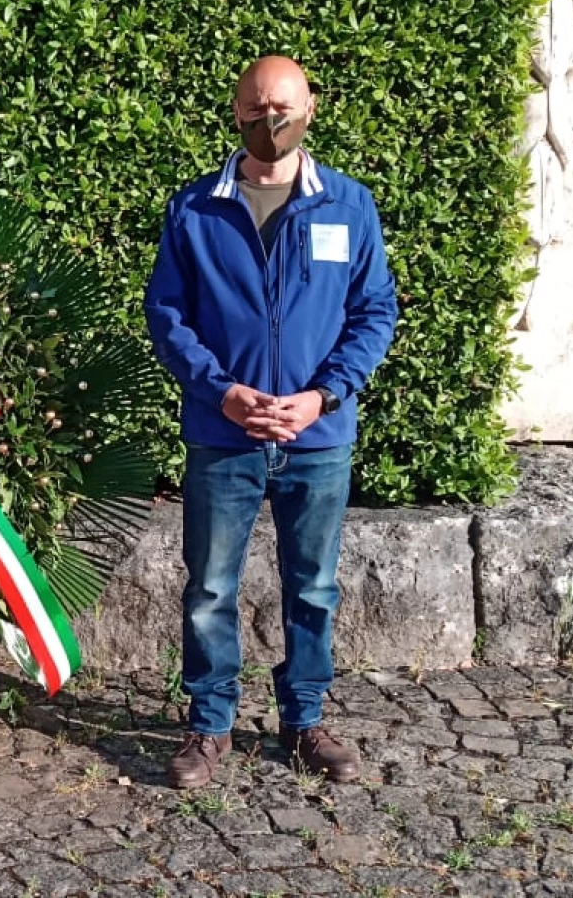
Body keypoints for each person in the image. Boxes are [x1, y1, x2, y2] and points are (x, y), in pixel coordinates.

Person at [144, 55, 398, 788]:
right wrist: (220, 393)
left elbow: (373, 312)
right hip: (224, 434)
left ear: (311, 107)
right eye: (255, 109)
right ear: (235, 113)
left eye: (282, 106)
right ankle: (210, 724)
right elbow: (167, 315)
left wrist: (325, 395)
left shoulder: (349, 205)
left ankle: (306, 720)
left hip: (317, 436)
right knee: (210, 588)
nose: (269, 120)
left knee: (313, 586)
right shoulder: (195, 209)